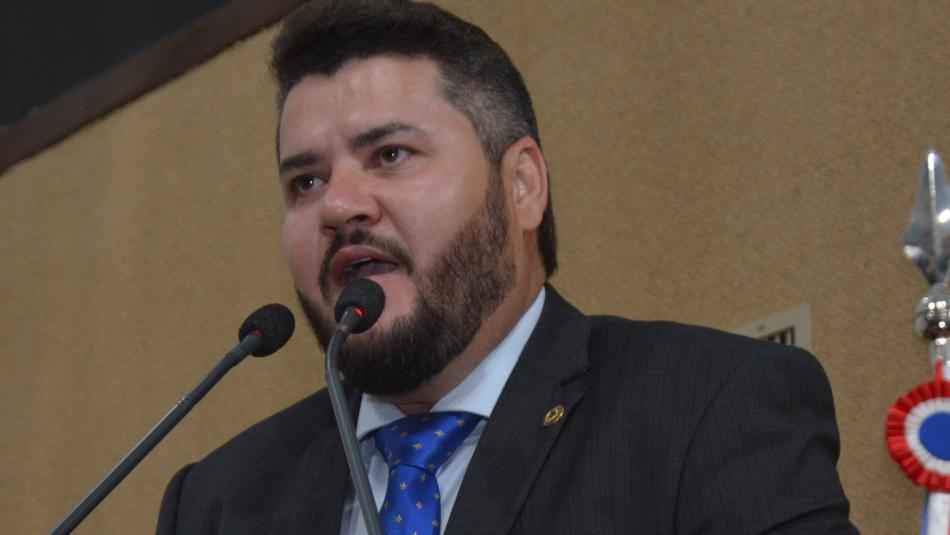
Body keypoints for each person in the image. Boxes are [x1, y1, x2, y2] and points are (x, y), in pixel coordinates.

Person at [157, 1, 858, 533]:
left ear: (521, 185)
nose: (338, 205)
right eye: (305, 181)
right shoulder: (218, 502)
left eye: (390, 154)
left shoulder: (708, 409)